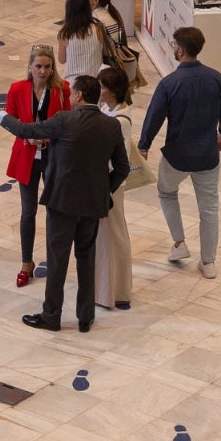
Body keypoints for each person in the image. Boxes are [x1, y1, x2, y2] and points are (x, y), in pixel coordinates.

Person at [0, 74, 129, 332]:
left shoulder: (64, 120)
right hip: (92, 205)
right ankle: (85, 317)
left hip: (62, 203)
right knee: (86, 258)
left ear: (79, 95)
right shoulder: (111, 126)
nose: (70, 98)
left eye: (73, 94)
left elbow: (25, 130)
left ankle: (52, 316)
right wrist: (104, 192)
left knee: (58, 260)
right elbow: (123, 168)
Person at [139, 26, 221, 279]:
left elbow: (154, 117)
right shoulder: (216, 78)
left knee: (167, 193)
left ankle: (179, 244)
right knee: (209, 209)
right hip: (208, 156)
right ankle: (208, 262)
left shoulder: (169, 83)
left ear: (180, 50)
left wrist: (143, 145)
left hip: (176, 156)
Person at [2, 46, 71, 289]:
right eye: (38, 66)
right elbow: (9, 119)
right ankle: (26, 262)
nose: (43, 71)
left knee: (54, 211)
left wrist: (50, 138)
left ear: (53, 68)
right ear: (30, 67)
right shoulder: (17, 89)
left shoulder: (62, 91)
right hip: (27, 156)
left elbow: (67, 123)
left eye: (47, 66)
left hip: (53, 157)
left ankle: (55, 261)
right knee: (28, 211)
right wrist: (26, 136)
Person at [94, 66, 143, 311]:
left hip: (112, 184)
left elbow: (118, 159)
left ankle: (119, 290)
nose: (99, 90)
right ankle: (104, 289)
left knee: (115, 235)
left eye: (102, 87)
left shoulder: (121, 120)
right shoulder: (107, 109)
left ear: (112, 91)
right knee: (104, 237)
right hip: (104, 182)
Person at [55, 0, 106, 83]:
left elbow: (62, 60)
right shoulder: (97, 28)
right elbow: (103, 51)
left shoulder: (64, 34)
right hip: (95, 82)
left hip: (73, 83)